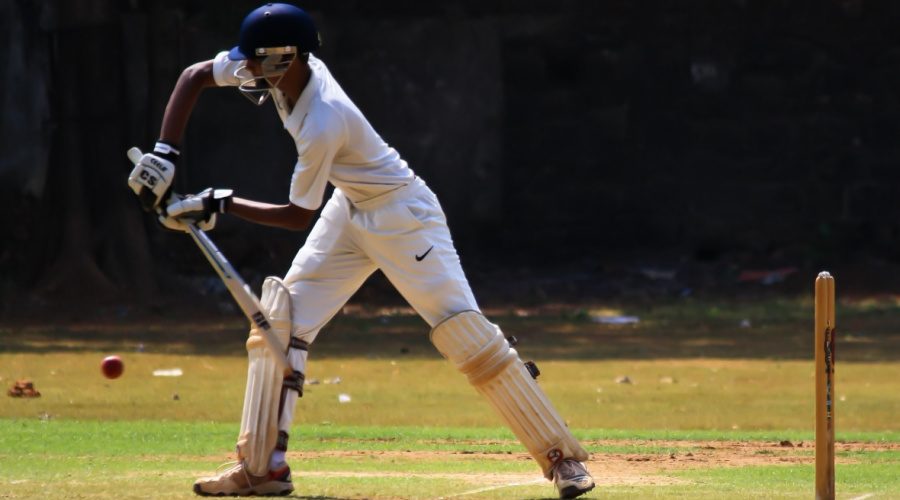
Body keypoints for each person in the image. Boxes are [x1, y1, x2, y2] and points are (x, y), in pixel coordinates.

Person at [126, 3, 595, 499]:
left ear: (287, 58)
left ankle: (561, 457)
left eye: (256, 61)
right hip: (349, 208)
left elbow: (295, 216)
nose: (246, 69)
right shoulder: (287, 70)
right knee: (278, 324)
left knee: (468, 335)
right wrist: (165, 154)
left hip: (403, 217)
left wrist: (218, 204)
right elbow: (195, 75)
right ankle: (262, 469)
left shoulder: (321, 120)